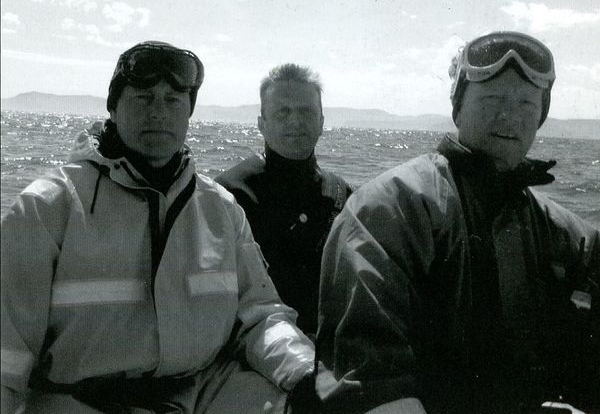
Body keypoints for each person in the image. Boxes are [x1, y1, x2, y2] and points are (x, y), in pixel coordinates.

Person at [1, 41, 315, 414]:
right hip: (82, 401)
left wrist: (306, 373)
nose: (159, 112)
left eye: (173, 100)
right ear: (113, 108)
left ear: (188, 114)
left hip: (201, 395)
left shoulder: (221, 209)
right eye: (143, 98)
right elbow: (6, 361)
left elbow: (260, 317)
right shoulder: (47, 208)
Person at [314, 32, 599, 414]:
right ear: (458, 107)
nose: (509, 116)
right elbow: (370, 383)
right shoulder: (388, 210)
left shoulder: (564, 234)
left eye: (526, 103)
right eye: (492, 99)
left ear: (540, 117)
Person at [215, 64, 352, 337]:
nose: (295, 121)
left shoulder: (342, 194)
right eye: (283, 112)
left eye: (306, 112)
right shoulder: (228, 195)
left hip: (326, 347)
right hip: (253, 348)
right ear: (261, 124)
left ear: (321, 122)